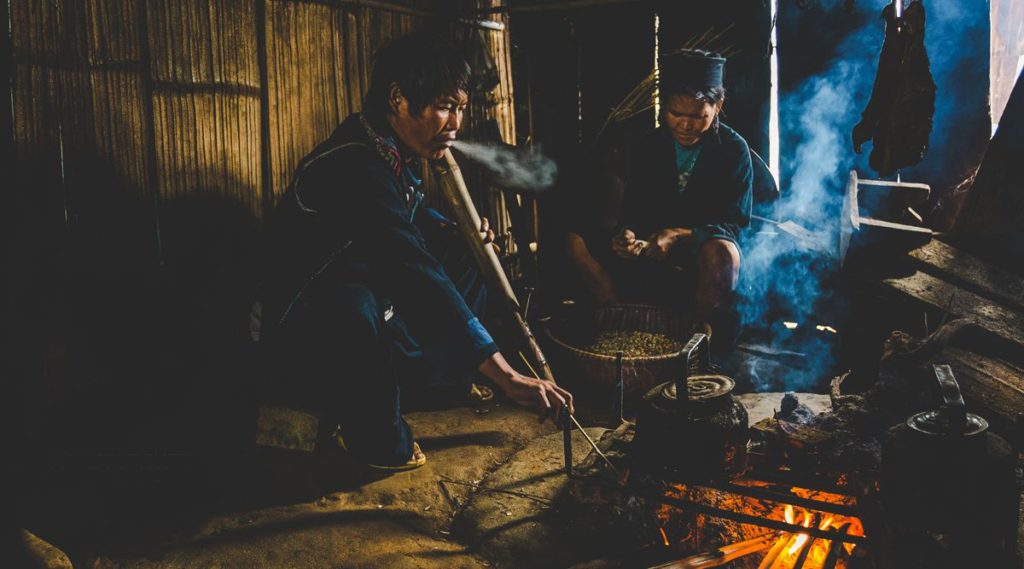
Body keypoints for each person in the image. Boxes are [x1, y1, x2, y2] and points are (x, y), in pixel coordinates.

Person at [257, 34, 573, 470]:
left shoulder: (384, 147)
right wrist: (507, 374)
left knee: (464, 249)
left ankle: (433, 383)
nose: (455, 123)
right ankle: (374, 437)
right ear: (398, 99)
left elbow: (410, 208)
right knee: (357, 304)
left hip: (370, 288)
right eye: (445, 106)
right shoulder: (355, 163)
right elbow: (409, 266)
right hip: (305, 323)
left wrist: (453, 228)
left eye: (460, 108)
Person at [568, 49, 752, 342]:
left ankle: (694, 336)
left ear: (718, 105)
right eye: (675, 114)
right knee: (577, 242)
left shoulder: (733, 150)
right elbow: (634, 212)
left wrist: (679, 235)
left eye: (697, 116)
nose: (685, 124)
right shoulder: (648, 146)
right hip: (651, 250)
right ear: (663, 106)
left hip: (700, 255)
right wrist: (627, 235)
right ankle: (623, 323)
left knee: (722, 253)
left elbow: (735, 225)